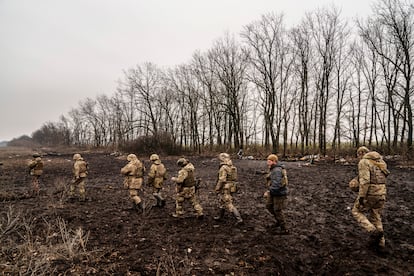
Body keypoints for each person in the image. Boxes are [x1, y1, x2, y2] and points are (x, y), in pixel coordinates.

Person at [352, 146, 389, 250]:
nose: (358, 158)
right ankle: (381, 244)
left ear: (361, 153)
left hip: (370, 194)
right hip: (382, 193)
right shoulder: (381, 162)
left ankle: (372, 231)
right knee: (376, 216)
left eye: (358, 155)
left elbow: (365, 181)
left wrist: (361, 197)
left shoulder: (364, 162)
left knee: (356, 211)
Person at [214, 152, 243, 224]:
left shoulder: (223, 168)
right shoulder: (233, 167)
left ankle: (239, 219)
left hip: (225, 187)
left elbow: (222, 180)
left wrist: (217, 188)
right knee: (222, 201)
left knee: (228, 202)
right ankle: (220, 216)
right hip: (232, 186)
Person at [264, 154, 289, 234]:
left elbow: (277, 184)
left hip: (279, 193)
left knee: (277, 210)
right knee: (269, 206)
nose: (267, 162)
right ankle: (278, 221)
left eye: (269, 161)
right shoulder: (273, 169)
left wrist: (268, 191)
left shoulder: (277, 170)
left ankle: (284, 229)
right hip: (274, 192)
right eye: (267, 160)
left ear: (274, 161)